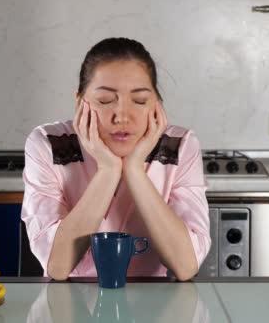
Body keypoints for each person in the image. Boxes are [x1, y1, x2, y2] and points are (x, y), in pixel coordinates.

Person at [21, 37, 210, 281]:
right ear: (80, 102)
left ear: (157, 104)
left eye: (140, 101)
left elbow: (186, 266)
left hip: (158, 305)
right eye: (105, 101)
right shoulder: (48, 143)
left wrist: (134, 170)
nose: (122, 116)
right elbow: (57, 266)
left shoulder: (181, 145)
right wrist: (108, 170)